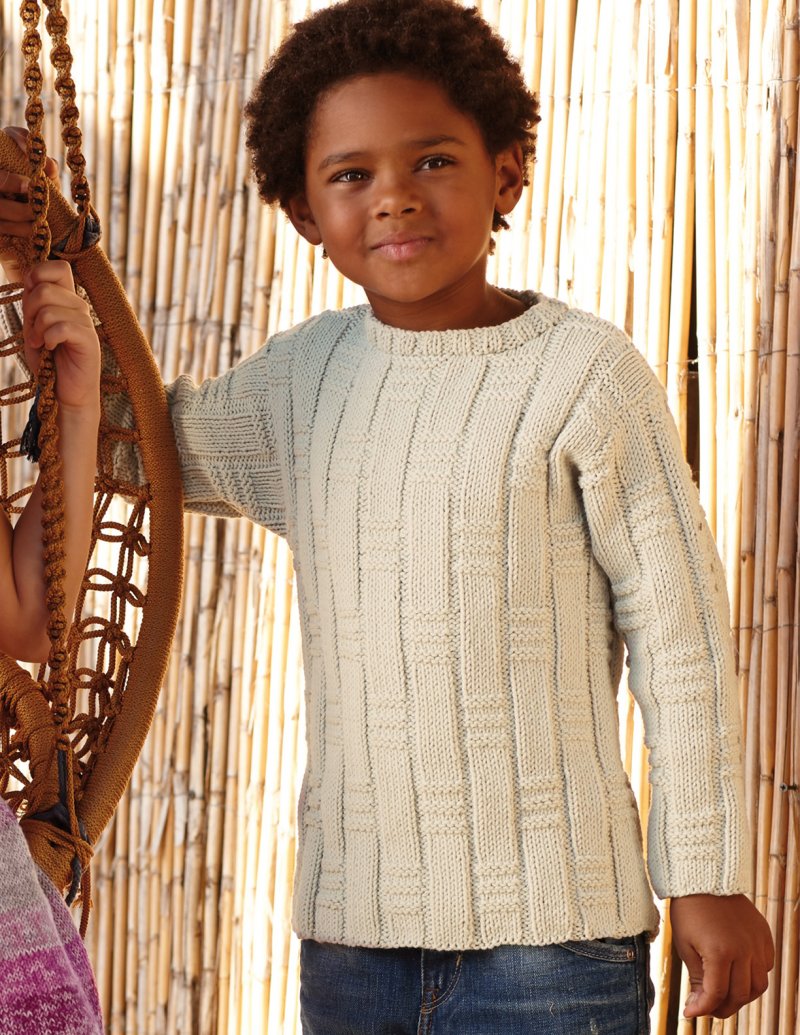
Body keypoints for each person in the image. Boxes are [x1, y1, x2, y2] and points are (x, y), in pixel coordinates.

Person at [0, 0, 775, 1031]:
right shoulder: (302, 382)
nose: (395, 198)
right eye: (350, 175)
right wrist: (78, 364)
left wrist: (705, 873)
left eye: (434, 161)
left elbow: (678, 638)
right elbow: (145, 447)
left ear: (507, 172)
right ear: (302, 215)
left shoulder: (586, 376)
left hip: (552, 944)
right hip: (350, 942)